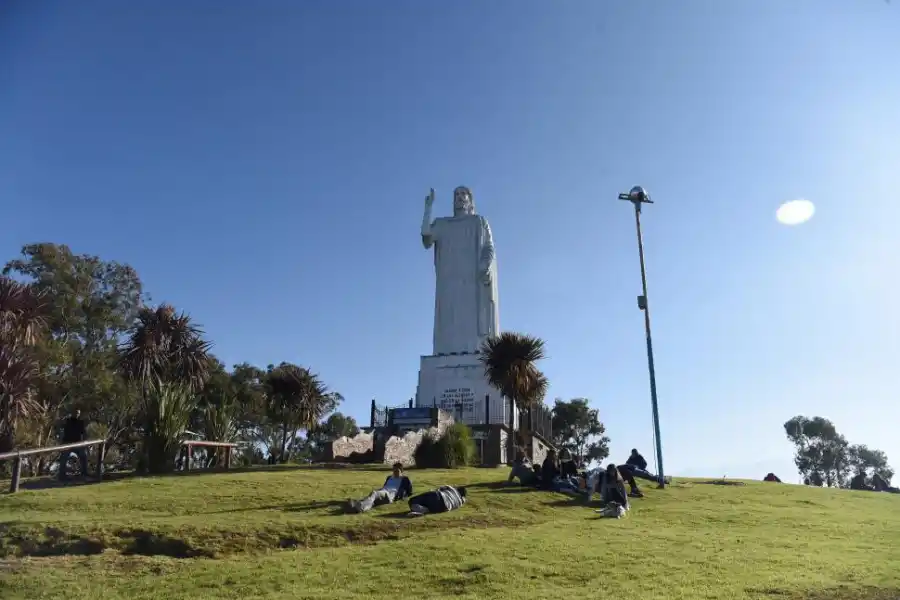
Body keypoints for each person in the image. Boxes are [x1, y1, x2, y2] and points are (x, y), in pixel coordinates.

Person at [347, 463, 413, 513]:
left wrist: (402, 497)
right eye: (394, 470)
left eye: (397, 471)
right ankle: (361, 507)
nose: (395, 472)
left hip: (389, 496)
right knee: (373, 500)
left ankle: (359, 504)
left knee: (374, 493)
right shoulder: (389, 478)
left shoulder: (404, 479)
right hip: (384, 492)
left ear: (401, 471)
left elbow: (410, 492)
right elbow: (384, 487)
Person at [59, 409, 89, 480]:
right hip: (67, 442)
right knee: (64, 458)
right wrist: (60, 442)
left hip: (77, 443)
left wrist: (84, 443)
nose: (77, 414)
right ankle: (62, 475)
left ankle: (84, 472)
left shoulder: (80, 422)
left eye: (78, 413)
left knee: (83, 456)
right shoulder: (67, 421)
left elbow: (83, 433)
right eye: (75, 413)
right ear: (72, 413)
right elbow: (61, 431)